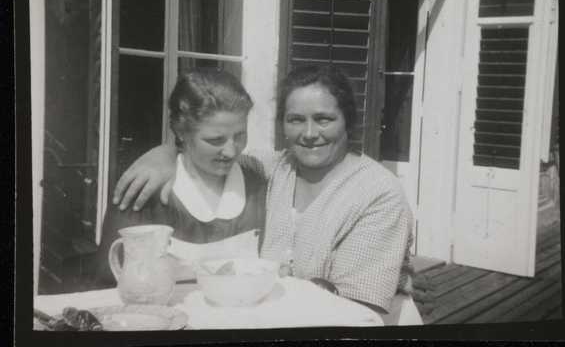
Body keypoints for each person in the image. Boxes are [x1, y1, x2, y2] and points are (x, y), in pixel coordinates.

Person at [112, 65, 421, 324]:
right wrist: (166, 153)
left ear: (347, 121)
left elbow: (359, 309)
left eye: (324, 119)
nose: (310, 133)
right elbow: (209, 154)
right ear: (283, 125)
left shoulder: (378, 193)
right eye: (296, 119)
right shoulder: (273, 168)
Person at [93, 69, 267, 287]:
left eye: (240, 136)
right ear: (182, 132)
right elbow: (108, 282)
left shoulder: (257, 184)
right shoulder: (145, 191)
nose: (231, 151)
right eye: (215, 140)